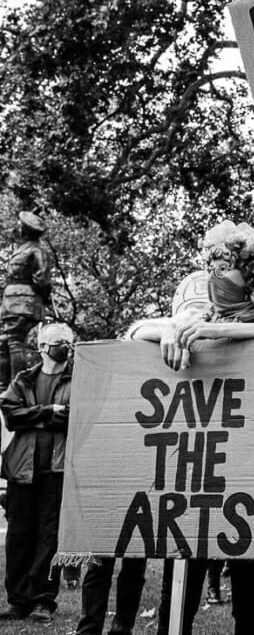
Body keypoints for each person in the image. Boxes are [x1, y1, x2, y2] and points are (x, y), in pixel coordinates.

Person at [129, 220, 254, 635]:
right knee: (178, 596)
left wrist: (233, 330)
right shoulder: (192, 317)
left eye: (227, 265)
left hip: (252, 486)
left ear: (252, 275)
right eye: (212, 263)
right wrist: (170, 333)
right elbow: (132, 332)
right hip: (196, 480)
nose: (216, 274)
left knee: (250, 600)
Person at [0, 321, 74, 623]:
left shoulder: (78, 380)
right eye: (60, 341)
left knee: (49, 539)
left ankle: (43, 601)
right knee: (19, 537)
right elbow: (10, 413)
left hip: (57, 472)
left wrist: (36, 417)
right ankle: (17, 601)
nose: (66, 347)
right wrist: (48, 412)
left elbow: (75, 416)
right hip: (22, 472)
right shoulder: (23, 379)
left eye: (69, 341)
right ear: (43, 347)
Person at [0, 212, 52, 393]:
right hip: (11, 303)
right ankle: (4, 389)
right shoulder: (21, 249)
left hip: (25, 302)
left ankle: (17, 389)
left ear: (25, 229)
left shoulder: (37, 250)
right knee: (4, 344)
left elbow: (42, 279)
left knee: (15, 343)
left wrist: (44, 298)